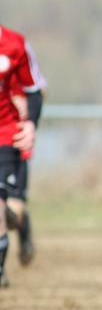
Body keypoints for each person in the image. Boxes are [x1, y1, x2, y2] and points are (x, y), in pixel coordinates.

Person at [0, 25, 44, 289]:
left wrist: (30, 123)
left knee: (12, 211)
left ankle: (22, 222)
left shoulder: (15, 47)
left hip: (9, 137)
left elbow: (36, 90)